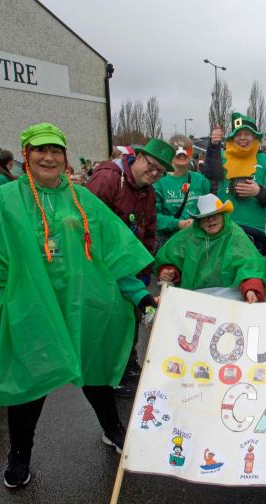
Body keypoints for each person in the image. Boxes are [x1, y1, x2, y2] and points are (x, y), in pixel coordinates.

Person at [0, 122, 157, 489]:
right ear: (26, 155)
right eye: (40, 150)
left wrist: (138, 294)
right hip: (31, 310)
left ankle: (112, 429)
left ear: (64, 157)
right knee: (30, 384)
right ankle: (19, 455)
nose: (48, 157)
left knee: (96, 374)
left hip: (84, 308)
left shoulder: (82, 199)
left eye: (56, 151)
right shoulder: (3, 201)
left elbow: (111, 252)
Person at [86, 137, 172, 398]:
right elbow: (85, 220)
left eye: (160, 171)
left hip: (129, 266)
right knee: (108, 322)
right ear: (139, 157)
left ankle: (128, 364)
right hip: (101, 265)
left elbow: (149, 229)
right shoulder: (109, 179)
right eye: (151, 165)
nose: (153, 173)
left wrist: (145, 263)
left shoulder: (148, 191)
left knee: (132, 315)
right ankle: (111, 374)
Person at [154, 194, 266, 303]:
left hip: (228, 301)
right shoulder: (187, 235)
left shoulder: (235, 235)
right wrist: (167, 271)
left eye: (215, 215)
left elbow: (250, 265)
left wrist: (251, 289)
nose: (210, 220)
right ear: (199, 222)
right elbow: (168, 259)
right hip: (192, 299)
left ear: (223, 216)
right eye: (205, 217)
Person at [205, 112, 266, 255]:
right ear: (232, 137)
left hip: (254, 230)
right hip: (224, 228)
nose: (243, 138)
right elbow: (210, 173)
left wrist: (258, 191)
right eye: (238, 134)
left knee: (251, 274)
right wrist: (213, 146)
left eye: (247, 134)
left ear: (255, 137)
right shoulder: (222, 157)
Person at [154, 134, 212, 249]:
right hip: (170, 244)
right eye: (176, 149)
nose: (182, 153)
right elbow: (153, 217)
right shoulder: (159, 182)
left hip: (197, 242)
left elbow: (210, 207)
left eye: (186, 149)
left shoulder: (200, 180)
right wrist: (178, 224)